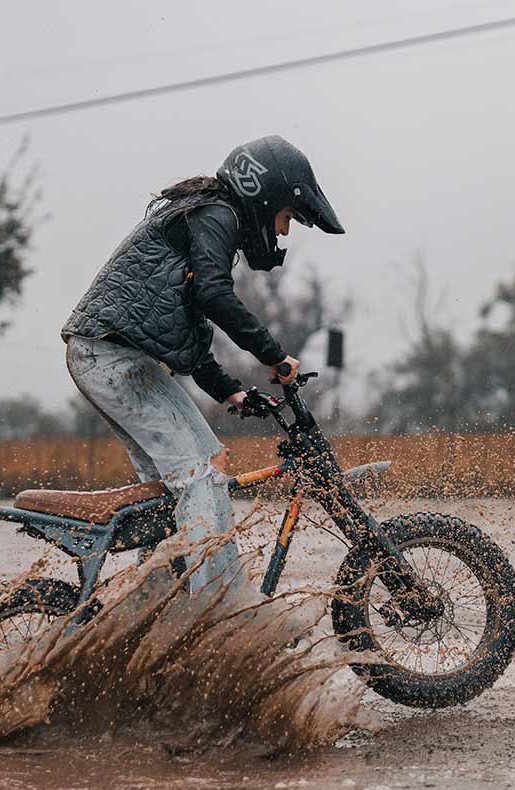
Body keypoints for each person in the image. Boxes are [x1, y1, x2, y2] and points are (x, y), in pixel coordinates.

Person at [62, 135, 345, 604]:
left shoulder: (206, 216)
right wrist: (274, 356)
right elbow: (214, 296)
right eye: (289, 217)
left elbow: (187, 322)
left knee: (170, 489)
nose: (286, 232)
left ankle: (152, 604)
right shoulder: (218, 214)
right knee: (201, 472)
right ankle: (221, 607)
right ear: (266, 196)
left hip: (113, 356)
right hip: (112, 358)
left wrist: (230, 391)